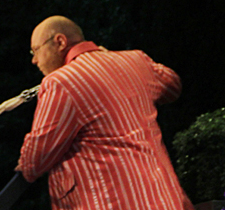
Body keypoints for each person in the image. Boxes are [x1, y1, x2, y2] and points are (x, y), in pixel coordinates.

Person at [18, 15, 194, 210]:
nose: (34, 60)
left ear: (60, 42)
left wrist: (24, 165)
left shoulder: (60, 82)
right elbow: (173, 85)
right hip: (168, 202)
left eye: (35, 50)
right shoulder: (136, 60)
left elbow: (35, 159)